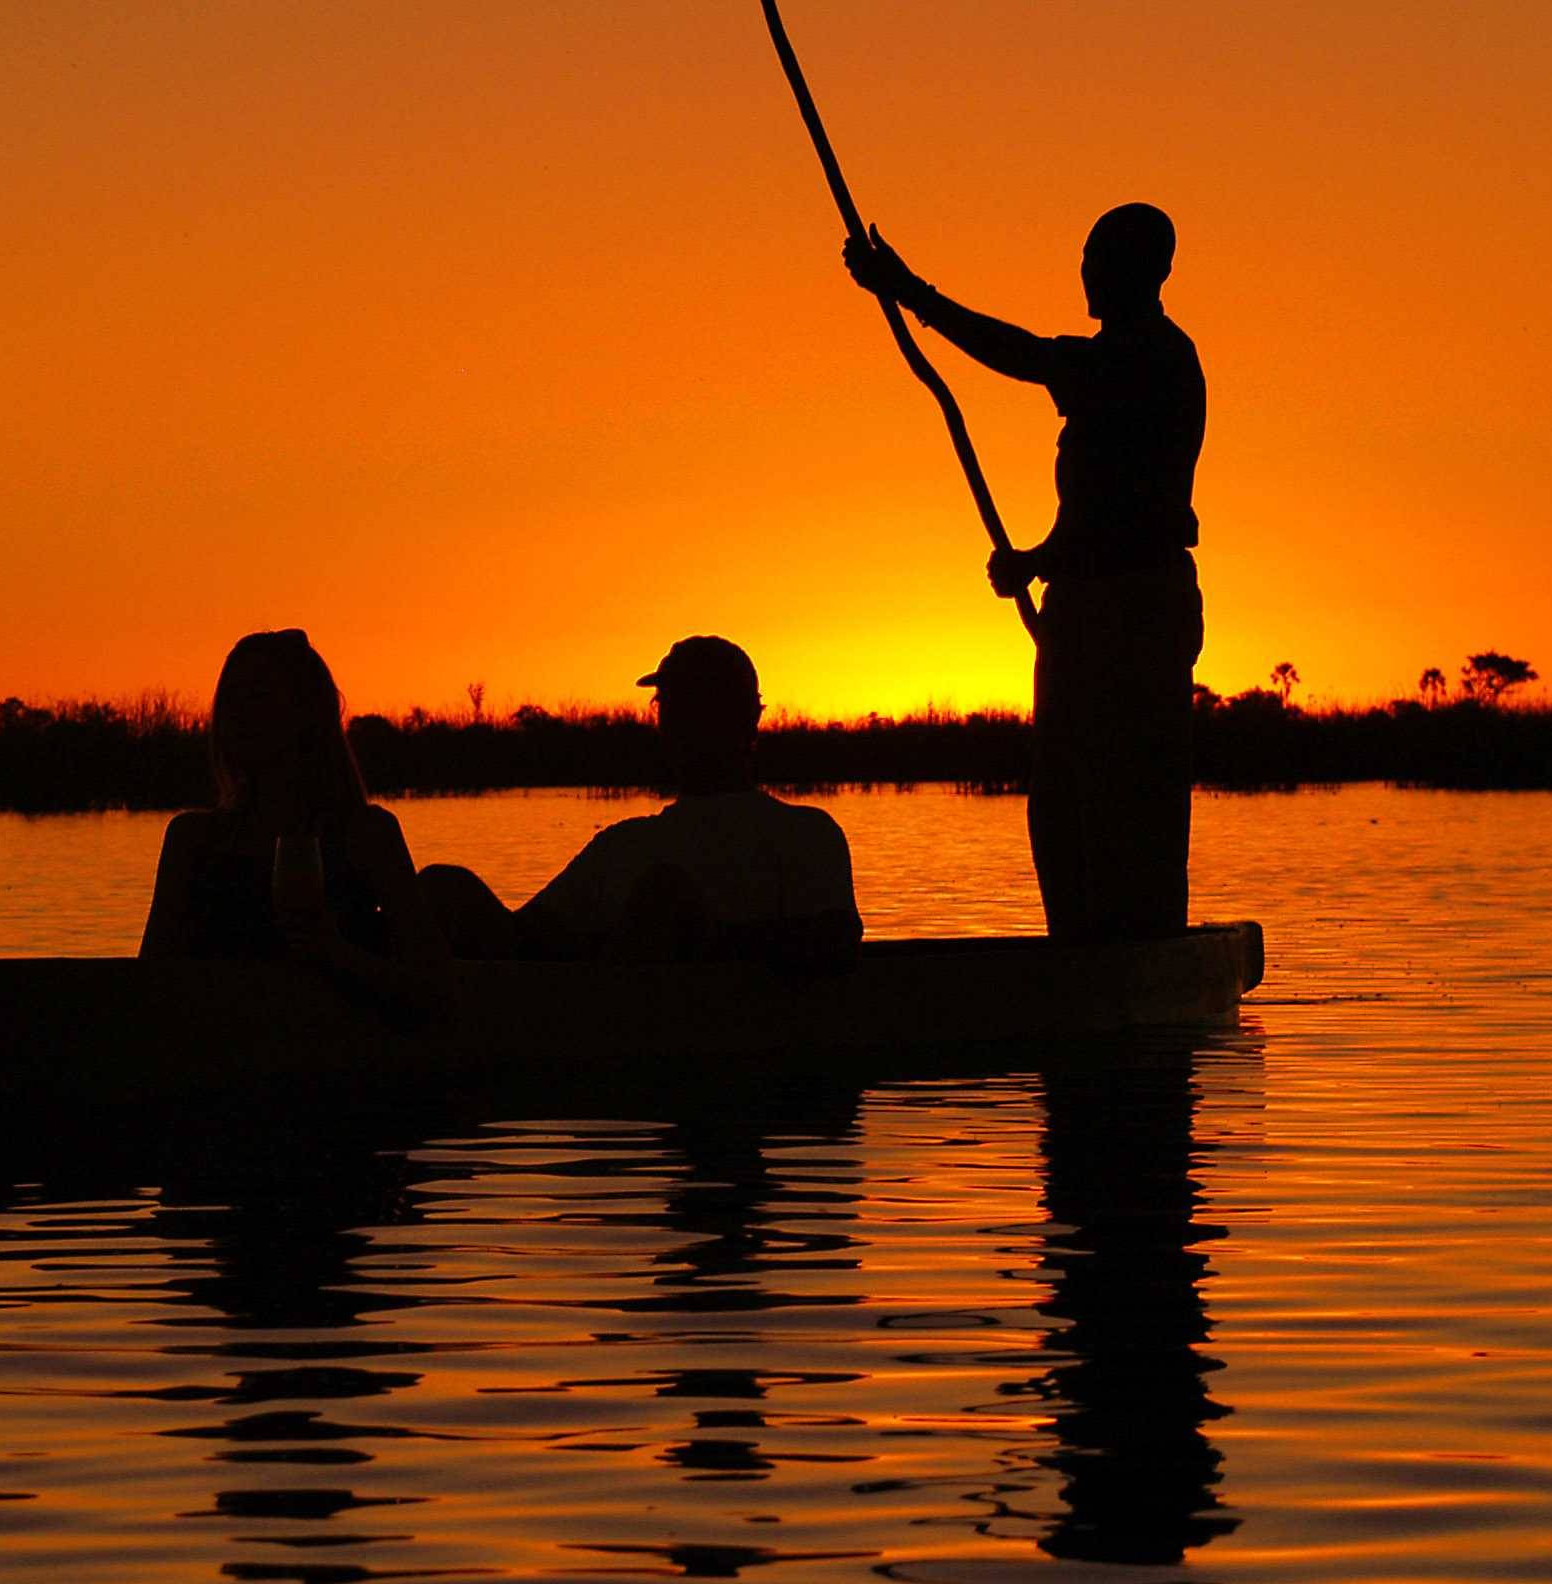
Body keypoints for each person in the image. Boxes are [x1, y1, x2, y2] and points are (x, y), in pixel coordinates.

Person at [842, 203, 1205, 941]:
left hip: (1132, 611)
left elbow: (1028, 357)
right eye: (1087, 258)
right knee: (1062, 793)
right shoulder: (1115, 365)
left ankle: (1136, 950)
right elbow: (1104, 503)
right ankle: (1077, 950)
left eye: (1104, 261)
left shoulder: (1149, 358)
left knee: (1123, 788)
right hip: (1083, 607)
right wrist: (1040, 561)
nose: (1089, 275)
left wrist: (910, 292)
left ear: (1150, 272)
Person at [418, 636, 862, 966]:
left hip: (695, 1042)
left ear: (749, 720)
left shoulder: (805, 835)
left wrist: (693, 936)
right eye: (674, 708)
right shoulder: (623, 845)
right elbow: (524, 936)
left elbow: (833, 943)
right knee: (441, 884)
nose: (687, 725)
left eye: (702, 708)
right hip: (592, 1020)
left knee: (663, 892)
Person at [139, 629, 448, 1007]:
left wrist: (333, 950)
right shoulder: (193, 841)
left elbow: (436, 987)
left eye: (260, 698)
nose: (240, 716)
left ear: (306, 715)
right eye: (233, 698)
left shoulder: (366, 835)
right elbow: (149, 982)